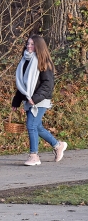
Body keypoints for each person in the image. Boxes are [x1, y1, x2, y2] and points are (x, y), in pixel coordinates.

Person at [11, 35, 67, 166]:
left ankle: (34, 156)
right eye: (28, 44)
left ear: (39, 46)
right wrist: (16, 101)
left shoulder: (44, 63)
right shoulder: (24, 61)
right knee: (37, 126)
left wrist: (35, 99)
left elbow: (48, 85)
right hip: (29, 99)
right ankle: (57, 145)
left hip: (40, 100)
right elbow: (22, 84)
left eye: (32, 44)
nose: (29, 46)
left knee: (31, 125)